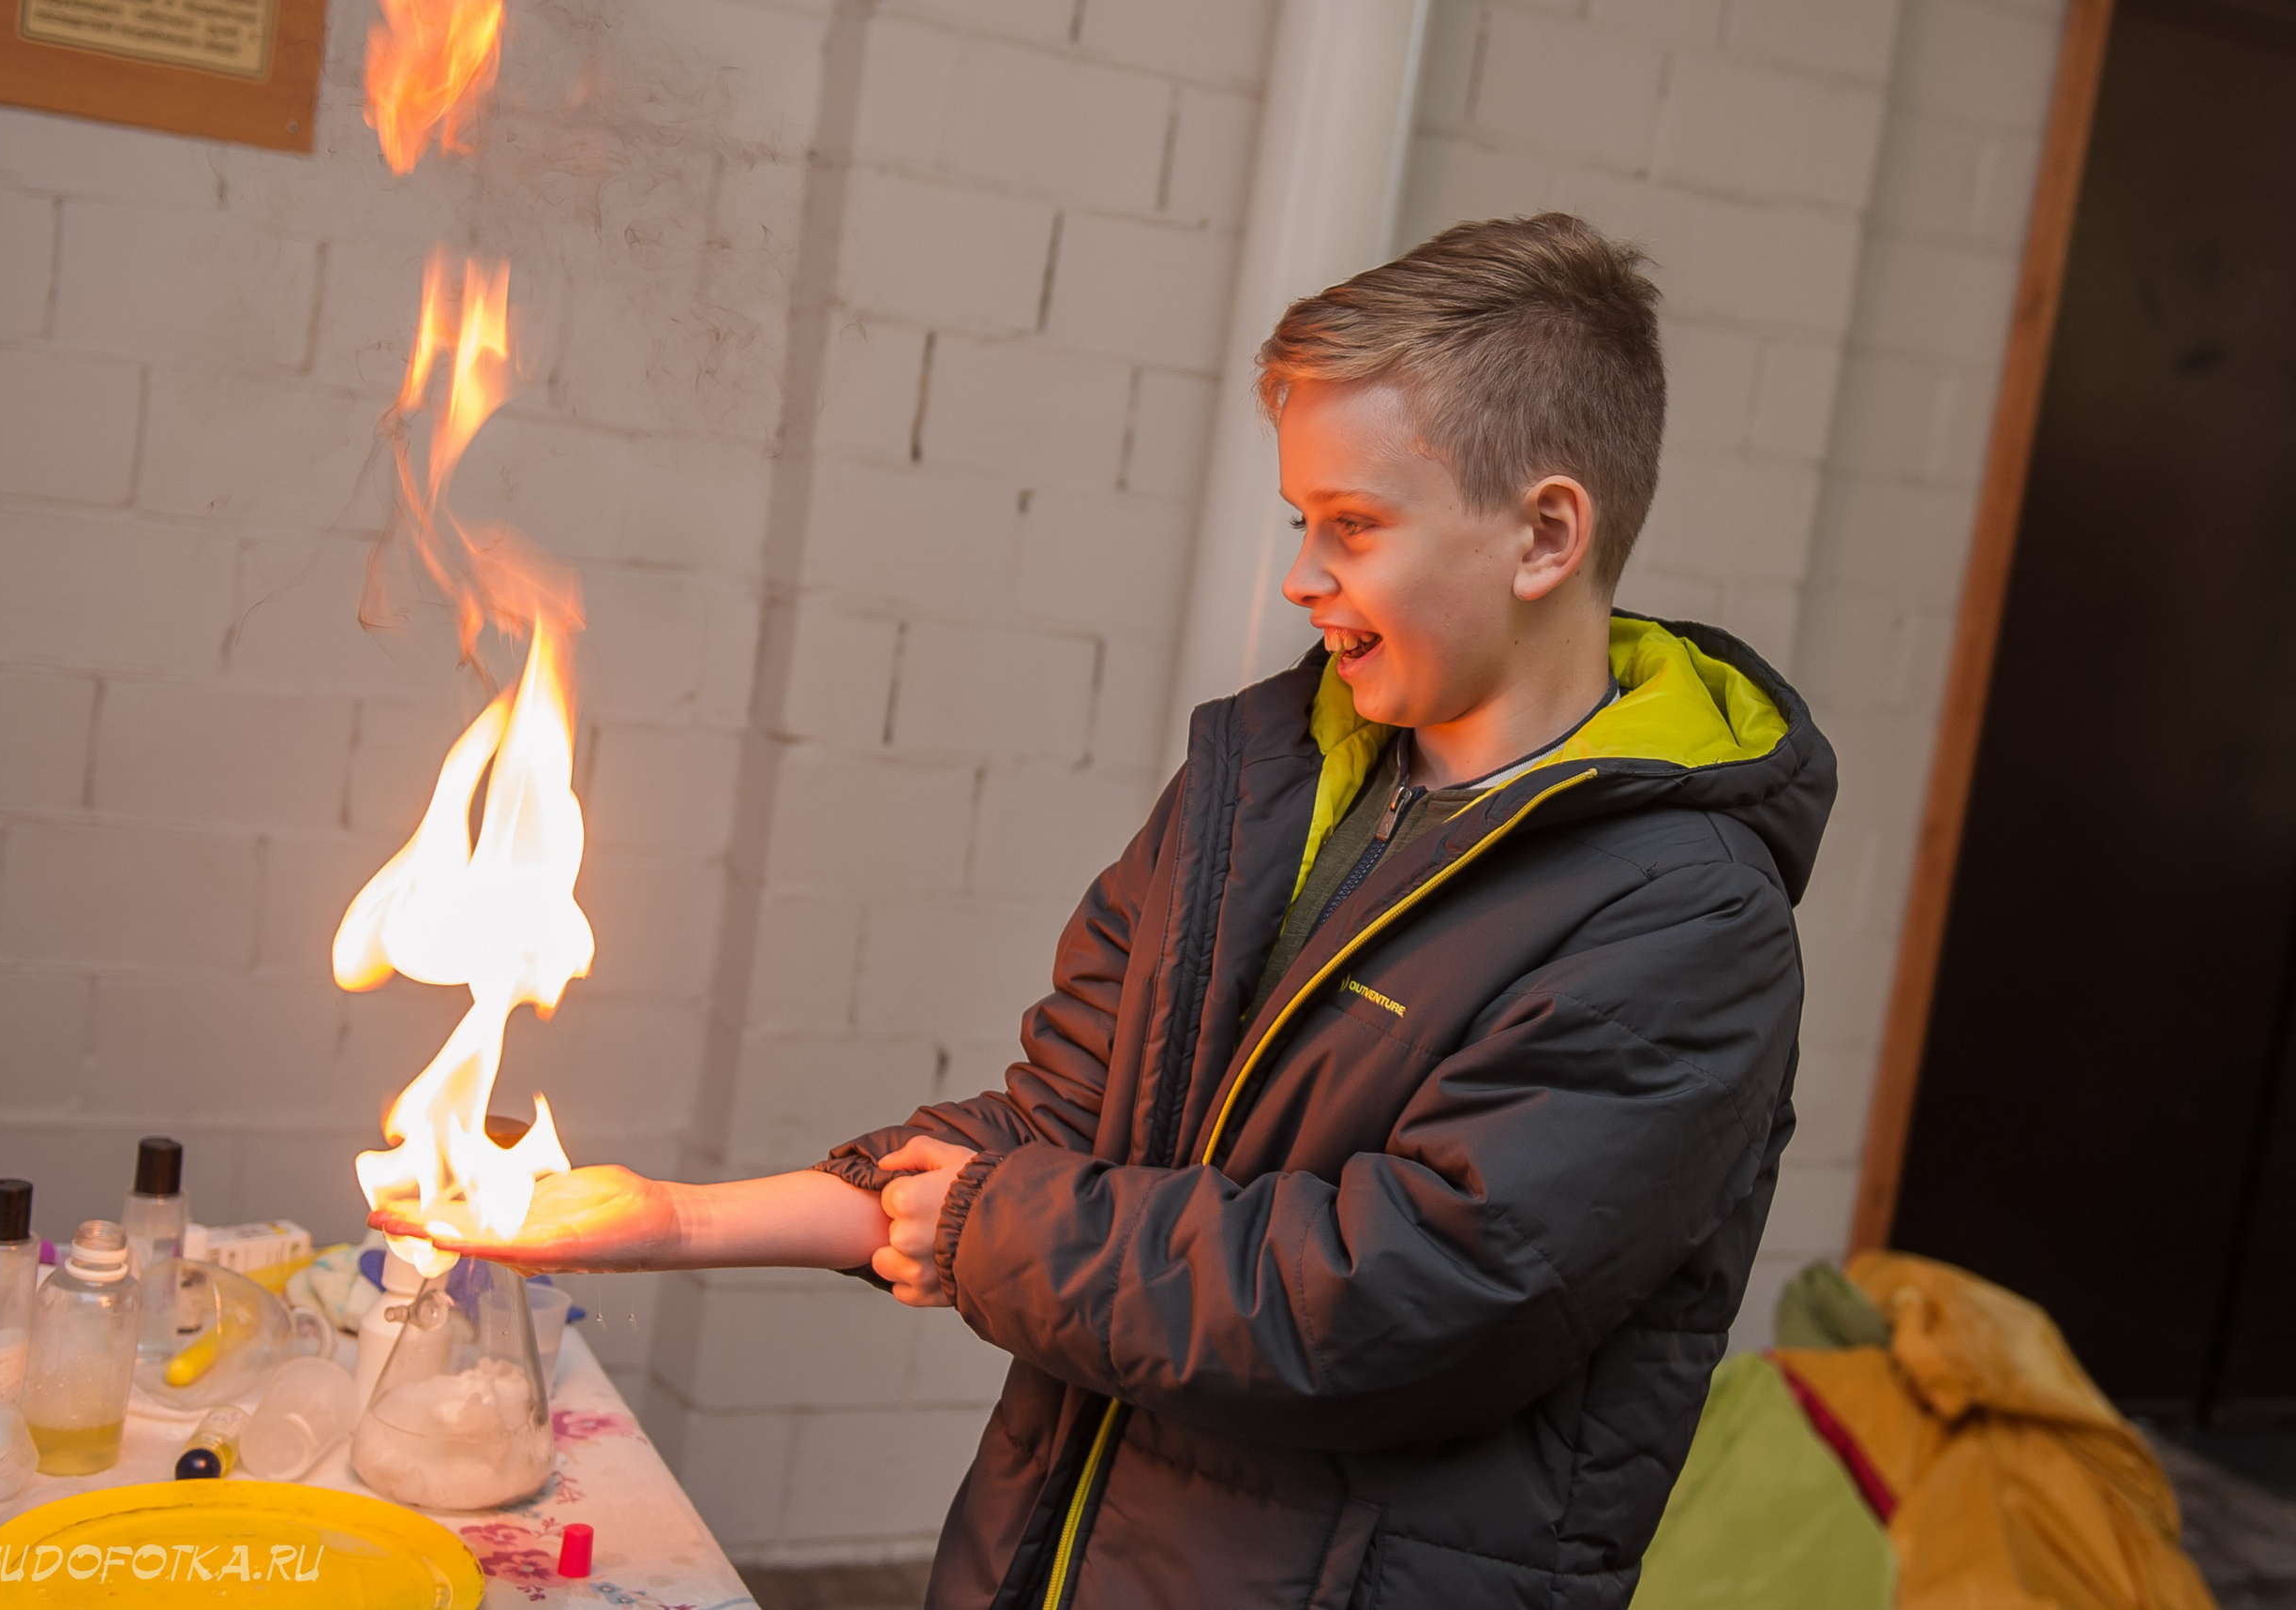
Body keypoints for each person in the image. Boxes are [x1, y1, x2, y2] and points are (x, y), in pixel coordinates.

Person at [379, 213, 1837, 1610]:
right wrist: (671, 1220)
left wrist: (985, 1229)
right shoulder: (1265, 784)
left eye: (1353, 525)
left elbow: (1401, 1293)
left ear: (1544, 536)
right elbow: (1065, 1125)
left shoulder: (1681, 923)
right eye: (1298, 518)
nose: (1302, 575)